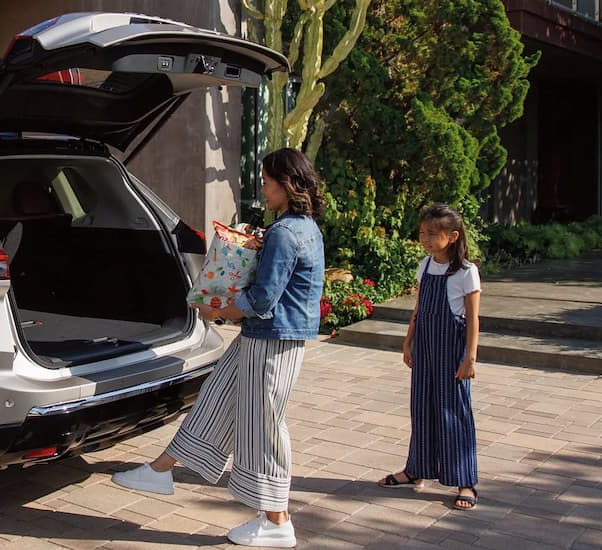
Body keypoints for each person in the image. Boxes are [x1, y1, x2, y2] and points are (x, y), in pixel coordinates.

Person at [112, 148, 325, 548]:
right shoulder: (303, 226)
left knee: (262, 425)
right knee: (215, 397)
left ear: (287, 184)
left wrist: (220, 311)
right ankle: (161, 469)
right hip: (270, 337)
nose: (263, 189)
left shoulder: (285, 233)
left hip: (272, 339)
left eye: (267, 182)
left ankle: (277, 520)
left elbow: (263, 298)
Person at [377, 203, 482, 511]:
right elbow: (419, 307)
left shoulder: (467, 272)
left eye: (432, 234)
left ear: (453, 236)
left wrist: (470, 357)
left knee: (454, 411)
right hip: (424, 344)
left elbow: (473, 319)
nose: (425, 239)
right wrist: (408, 341)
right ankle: (416, 469)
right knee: (421, 406)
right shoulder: (425, 265)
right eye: (422, 233)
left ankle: (465, 480)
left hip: (452, 348)